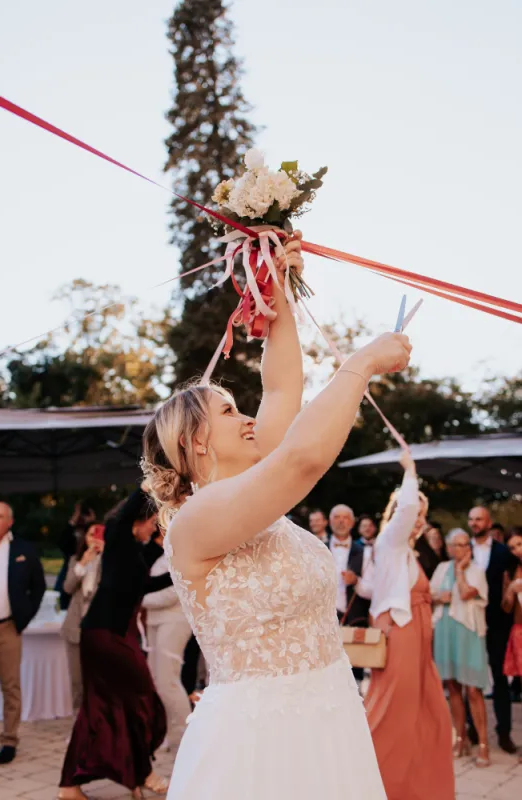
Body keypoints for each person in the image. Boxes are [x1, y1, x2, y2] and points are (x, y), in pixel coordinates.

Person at [141, 231, 411, 799]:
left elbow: (284, 382)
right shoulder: (196, 522)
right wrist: (360, 364)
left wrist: (278, 283)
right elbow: (304, 459)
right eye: (230, 411)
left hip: (331, 718)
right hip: (258, 745)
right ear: (194, 440)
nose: (247, 418)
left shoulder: (251, 487)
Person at [58, 489, 173, 800]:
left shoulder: (135, 553)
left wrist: (179, 571)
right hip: (105, 636)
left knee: (107, 708)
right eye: (151, 522)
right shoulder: (121, 539)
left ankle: (74, 784)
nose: (153, 528)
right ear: (138, 521)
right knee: (143, 698)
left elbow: (146, 584)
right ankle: (140, 771)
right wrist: (146, 489)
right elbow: (120, 518)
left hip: (113, 636)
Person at [363, 453, 455, 800]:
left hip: (420, 641)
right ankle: (373, 780)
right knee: (393, 711)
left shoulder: (409, 554)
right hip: (401, 635)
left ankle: (415, 785)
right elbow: (403, 514)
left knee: (428, 713)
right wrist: (411, 473)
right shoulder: (390, 542)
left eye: (423, 515)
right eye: (414, 513)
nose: (418, 520)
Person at [0, 501, 46, 765]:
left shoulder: (23, 549)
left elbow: (39, 587)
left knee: (10, 686)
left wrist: (23, 618)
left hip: (6, 627)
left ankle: (9, 741)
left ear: (9, 521)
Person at [431, 529, 490, 766]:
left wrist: (459, 571)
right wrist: (438, 597)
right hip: (445, 630)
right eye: (454, 545)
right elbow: (429, 594)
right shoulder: (441, 568)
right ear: (448, 547)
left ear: (469, 548)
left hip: (468, 633)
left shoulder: (476, 571)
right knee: (452, 686)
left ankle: (483, 744)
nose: (459, 549)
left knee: (473, 690)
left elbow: (465, 594)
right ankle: (461, 738)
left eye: (464, 545)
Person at [468, 505, 516, 753]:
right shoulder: (461, 549)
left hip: (497, 624)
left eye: (479, 519)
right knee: (470, 678)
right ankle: (472, 730)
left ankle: (504, 733)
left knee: (499, 679)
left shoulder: (503, 552)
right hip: (469, 623)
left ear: (489, 523)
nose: (475, 523)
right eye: (472, 519)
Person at [142, 554, 193, 759]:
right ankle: (165, 733)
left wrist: (140, 599)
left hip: (174, 619)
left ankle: (186, 736)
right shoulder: (161, 556)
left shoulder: (183, 553)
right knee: (155, 680)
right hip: (155, 620)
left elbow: (175, 591)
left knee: (168, 681)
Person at [60, 523, 105, 711]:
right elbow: (68, 588)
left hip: (100, 627)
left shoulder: (110, 560)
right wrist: (83, 563)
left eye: (98, 533)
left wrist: (106, 554)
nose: (93, 537)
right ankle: (79, 726)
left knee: (100, 681)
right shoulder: (75, 560)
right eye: (89, 533)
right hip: (75, 628)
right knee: (77, 681)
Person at [329, 504, 371, 683]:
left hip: (354, 619)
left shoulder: (365, 552)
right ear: (330, 521)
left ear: (352, 523)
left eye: (345, 517)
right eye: (337, 517)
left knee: (354, 672)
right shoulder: (317, 547)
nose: (341, 521)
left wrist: (356, 582)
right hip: (324, 620)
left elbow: (372, 591)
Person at [55, 502, 96, 611]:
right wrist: (74, 518)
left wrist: (91, 522)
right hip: (70, 567)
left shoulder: (91, 532)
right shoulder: (72, 531)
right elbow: (62, 542)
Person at [502, 528, 522, 741]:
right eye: (513, 547)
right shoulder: (511, 570)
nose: (517, 550)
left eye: (520, 544)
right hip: (519, 630)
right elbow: (506, 608)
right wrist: (510, 591)